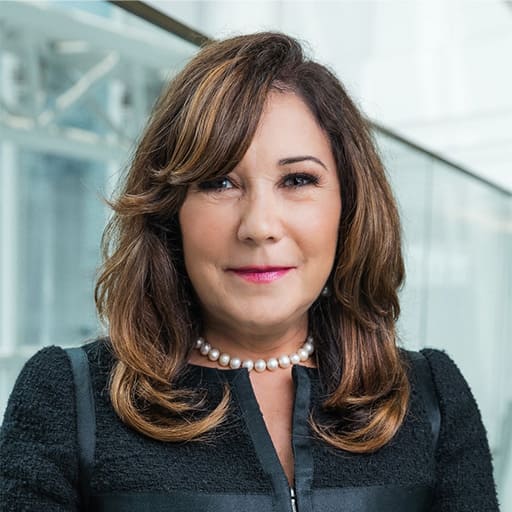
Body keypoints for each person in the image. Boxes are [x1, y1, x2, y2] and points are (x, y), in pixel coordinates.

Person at [0, 32, 499, 511]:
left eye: (297, 180)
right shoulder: (68, 397)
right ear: (170, 212)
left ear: (348, 206)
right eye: (219, 182)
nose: (259, 226)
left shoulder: (432, 396)